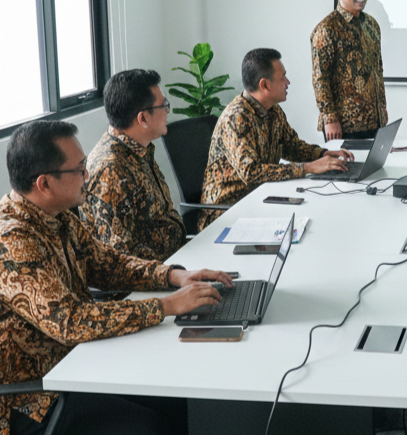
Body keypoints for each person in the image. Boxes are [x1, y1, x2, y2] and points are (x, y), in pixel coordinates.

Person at [0, 121, 232, 435]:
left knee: (176, 397)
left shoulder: (58, 215)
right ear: (44, 183)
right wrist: (166, 306)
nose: (87, 176)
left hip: (79, 364)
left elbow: (108, 265)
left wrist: (175, 276)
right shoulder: (12, 241)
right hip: (37, 399)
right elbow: (71, 322)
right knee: (150, 426)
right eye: (79, 169)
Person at [199, 48, 353, 230]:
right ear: (265, 85)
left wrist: (324, 154)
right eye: (283, 78)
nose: (288, 82)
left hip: (259, 198)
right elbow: (252, 173)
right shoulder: (236, 118)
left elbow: (293, 147)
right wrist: (308, 168)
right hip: (227, 213)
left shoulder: (273, 110)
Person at [79, 69, 186, 262]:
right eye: (164, 105)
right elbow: (121, 256)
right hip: (154, 277)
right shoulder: (110, 171)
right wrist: (173, 275)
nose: (167, 111)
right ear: (142, 118)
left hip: (176, 259)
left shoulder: (138, 149)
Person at [311, 0, 388, 141]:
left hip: (374, 121)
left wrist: (381, 108)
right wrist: (329, 118)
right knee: (347, 168)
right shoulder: (327, 29)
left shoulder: (371, 24)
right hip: (344, 124)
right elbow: (320, 78)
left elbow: (378, 69)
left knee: (375, 168)